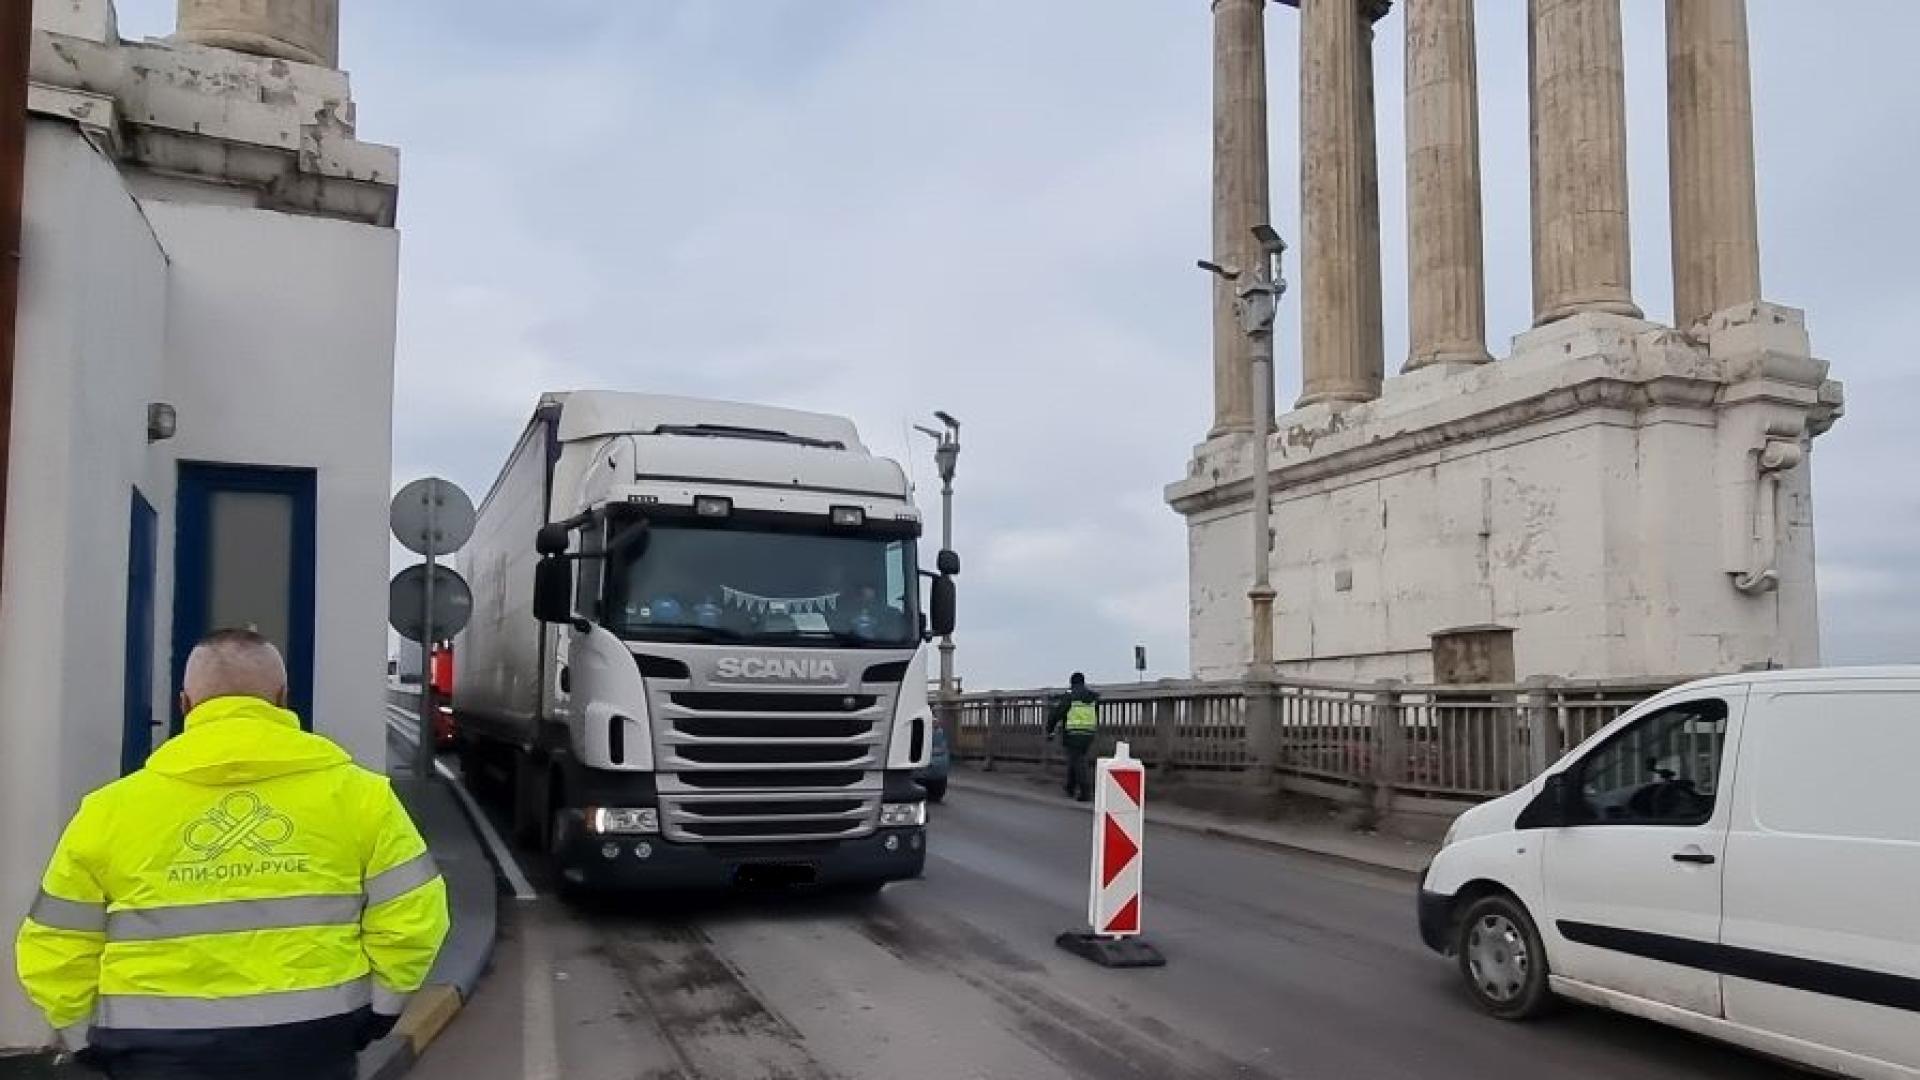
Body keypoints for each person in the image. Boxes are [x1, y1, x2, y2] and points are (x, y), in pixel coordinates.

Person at [15, 629, 450, 1080]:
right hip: (312, 1044)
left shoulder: (109, 811)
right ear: (282, 699)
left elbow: (54, 943)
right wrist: (378, 1011)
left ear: (185, 704)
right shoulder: (361, 798)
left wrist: (84, 1037)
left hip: (153, 1053)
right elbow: (415, 918)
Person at [1044, 673, 1101, 802]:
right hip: (1088, 733)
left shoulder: (1070, 696)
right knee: (1075, 759)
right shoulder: (1093, 697)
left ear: (1072, 683)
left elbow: (1057, 713)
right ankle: (1070, 787)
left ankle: (1085, 792)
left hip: (1073, 732)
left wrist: (1050, 730)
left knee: (1078, 761)